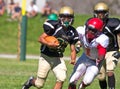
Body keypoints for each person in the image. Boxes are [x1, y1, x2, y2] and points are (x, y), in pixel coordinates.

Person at [22, 6, 79, 89]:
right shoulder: (54, 26)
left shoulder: (72, 32)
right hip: (45, 57)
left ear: (72, 19)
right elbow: (40, 38)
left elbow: (72, 48)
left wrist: (73, 59)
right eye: (64, 17)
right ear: (60, 18)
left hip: (58, 58)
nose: (66, 20)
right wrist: (49, 44)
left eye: (69, 17)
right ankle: (31, 81)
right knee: (39, 84)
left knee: (61, 78)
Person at [68, 17, 109, 89]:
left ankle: (82, 86)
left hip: (95, 61)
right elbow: (72, 39)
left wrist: (100, 58)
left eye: (93, 30)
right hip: (85, 57)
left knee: (87, 81)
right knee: (72, 80)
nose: (90, 31)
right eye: (89, 29)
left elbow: (102, 53)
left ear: (99, 31)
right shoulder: (81, 31)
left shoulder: (101, 39)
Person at [93, 2, 120, 89]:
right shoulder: (92, 24)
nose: (100, 15)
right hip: (99, 52)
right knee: (101, 76)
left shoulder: (113, 23)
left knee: (110, 69)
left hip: (111, 50)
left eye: (103, 13)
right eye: (98, 13)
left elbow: (119, 37)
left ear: (107, 13)